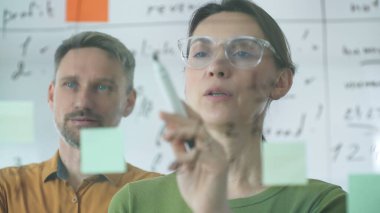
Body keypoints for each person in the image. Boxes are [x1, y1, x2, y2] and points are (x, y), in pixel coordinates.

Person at [109, 0, 346, 212]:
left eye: (242, 52)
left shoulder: (321, 204)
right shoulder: (134, 203)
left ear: (280, 82)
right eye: (201, 53)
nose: (216, 66)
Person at [0, 31, 160, 213]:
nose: (83, 101)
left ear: (128, 102)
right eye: (70, 84)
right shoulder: (6, 188)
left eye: (102, 87)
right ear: (52, 95)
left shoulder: (160, 193)